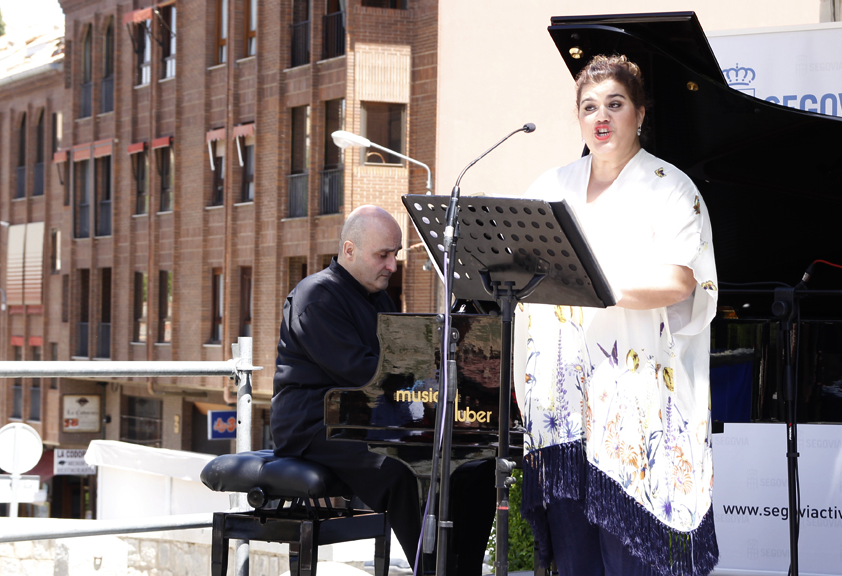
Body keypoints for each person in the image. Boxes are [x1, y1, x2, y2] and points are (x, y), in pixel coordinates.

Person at [515, 55, 720, 576]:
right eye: (588, 107)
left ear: (640, 114)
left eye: (615, 103)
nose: (600, 116)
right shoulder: (549, 187)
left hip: (636, 399)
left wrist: (593, 284)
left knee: (632, 562)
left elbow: (679, 283)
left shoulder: (669, 187)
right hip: (561, 403)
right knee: (575, 558)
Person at [270, 205, 493, 576]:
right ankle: (433, 570)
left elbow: (401, 368)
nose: (392, 265)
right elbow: (363, 373)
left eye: (396, 254)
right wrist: (428, 389)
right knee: (404, 469)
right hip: (313, 424)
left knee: (476, 465)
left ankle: (460, 568)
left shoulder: (378, 298)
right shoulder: (316, 296)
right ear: (349, 249)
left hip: (366, 418)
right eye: (383, 255)